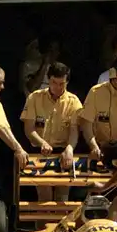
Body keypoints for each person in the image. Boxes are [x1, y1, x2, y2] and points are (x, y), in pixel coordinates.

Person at [21, 61, 83, 201]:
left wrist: (70, 148)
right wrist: (41, 142)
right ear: (48, 80)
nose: (58, 87)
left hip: (63, 152)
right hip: (40, 151)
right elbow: (28, 128)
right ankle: (43, 223)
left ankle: (61, 223)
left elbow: (74, 130)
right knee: (44, 197)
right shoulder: (34, 98)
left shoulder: (74, 101)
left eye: (62, 84)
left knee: (62, 197)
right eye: (54, 83)